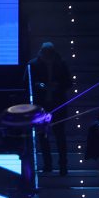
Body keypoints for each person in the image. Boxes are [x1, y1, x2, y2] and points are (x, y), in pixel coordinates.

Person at [26, 42, 71, 176]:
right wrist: (39, 85)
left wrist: (57, 86)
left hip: (58, 105)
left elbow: (68, 83)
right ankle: (48, 165)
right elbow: (26, 82)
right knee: (43, 136)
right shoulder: (33, 64)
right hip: (41, 106)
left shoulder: (61, 64)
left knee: (59, 136)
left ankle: (63, 166)